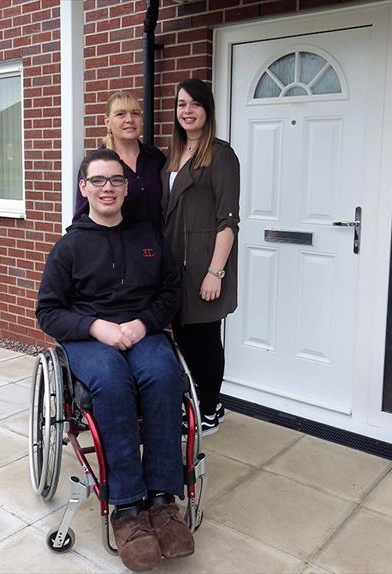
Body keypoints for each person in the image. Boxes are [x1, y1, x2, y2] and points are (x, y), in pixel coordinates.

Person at [37, 148, 194, 571]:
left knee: (163, 375)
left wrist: (144, 324)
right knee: (110, 380)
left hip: (142, 331)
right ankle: (126, 509)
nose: (108, 188)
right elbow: (48, 311)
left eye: (117, 181)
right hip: (91, 336)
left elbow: (170, 292)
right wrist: (96, 327)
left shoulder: (148, 237)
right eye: (99, 181)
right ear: (84, 188)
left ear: (126, 188)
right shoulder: (69, 247)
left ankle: (162, 500)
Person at [161, 78, 240, 436]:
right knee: (183, 335)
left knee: (204, 338)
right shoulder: (173, 156)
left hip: (205, 265)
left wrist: (215, 271)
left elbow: (228, 222)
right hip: (175, 263)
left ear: (207, 110)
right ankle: (200, 401)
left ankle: (208, 408)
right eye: (181, 105)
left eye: (194, 104)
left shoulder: (221, 155)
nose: (187, 111)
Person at [74, 91, 166, 228]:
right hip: (115, 246)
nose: (129, 119)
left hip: (155, 245)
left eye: (135, 113)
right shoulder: (96, 164)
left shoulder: (155, 158)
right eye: (120, 114)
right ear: (107, 122)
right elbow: (82, 217)